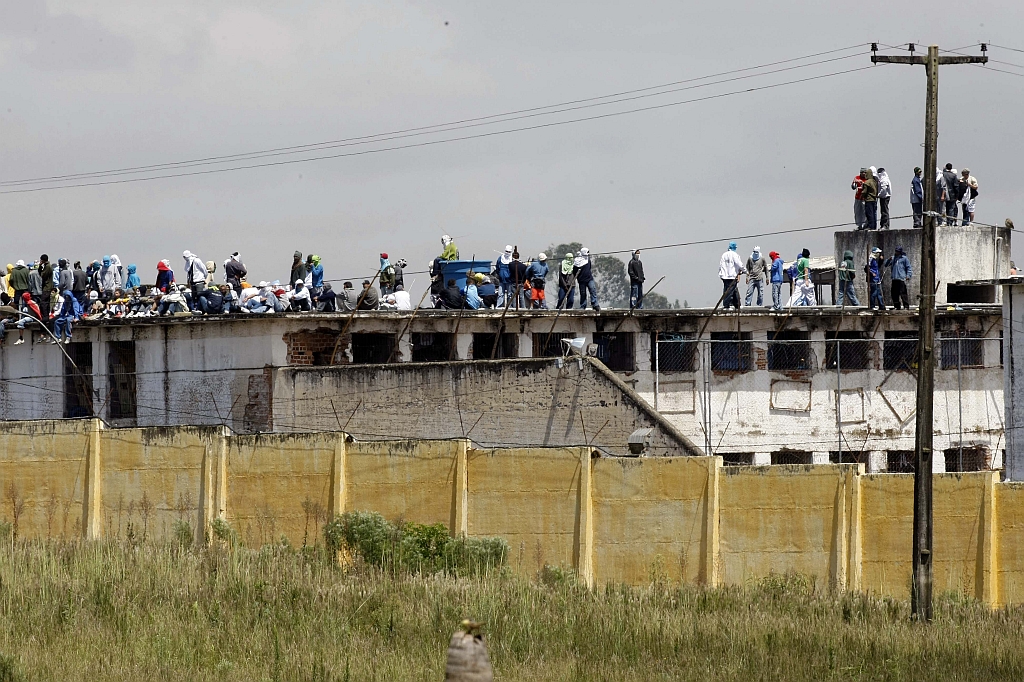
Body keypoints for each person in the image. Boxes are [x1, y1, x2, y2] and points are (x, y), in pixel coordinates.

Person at [718, 242, 745, 309]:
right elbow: (739, 264)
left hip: (724, 276)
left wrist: (720, 274)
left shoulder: (724, 255)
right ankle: (726, 305)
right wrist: (745, 271)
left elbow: (720, 265)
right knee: (729, 291)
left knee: (732, 289)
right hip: (732, 276)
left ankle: (737, 304)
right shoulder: (735, 255)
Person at [885, 246, 912, 310]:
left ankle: (906, 306)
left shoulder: (904, 258)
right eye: (896, 251)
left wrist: (908, 275)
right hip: (894, 278)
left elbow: (908, 268)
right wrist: (889, 260)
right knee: (894, 293)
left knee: (903, 293)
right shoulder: (893, 258)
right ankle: (897, 306)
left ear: (900, 252)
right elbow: (886, 264)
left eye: (897, 251)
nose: (896, 252)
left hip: (901, 278)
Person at [37, 255, 54, 323]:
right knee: (46, 303)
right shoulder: (48, 266)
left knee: (44, 303)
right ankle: (46, 316)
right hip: (48, 287)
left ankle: (45, 317)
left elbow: (42, 275)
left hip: (47, 287)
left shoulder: (47, 267)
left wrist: (40, 266)